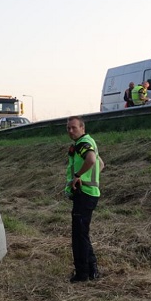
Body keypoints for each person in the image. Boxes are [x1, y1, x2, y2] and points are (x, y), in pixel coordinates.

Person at [65, 116, 104, 283]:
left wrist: (78, 176)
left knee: (79, 237)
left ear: (82, 128)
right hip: (91, 193)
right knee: (83, 234)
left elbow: (92, 160)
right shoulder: (90, 142)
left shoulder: (82, 143)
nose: (71, 131)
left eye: (74, 127)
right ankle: (92, 270)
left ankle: (82, 274)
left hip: (84, 194)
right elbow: (101, 164)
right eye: (68, 128)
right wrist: (89, 176)